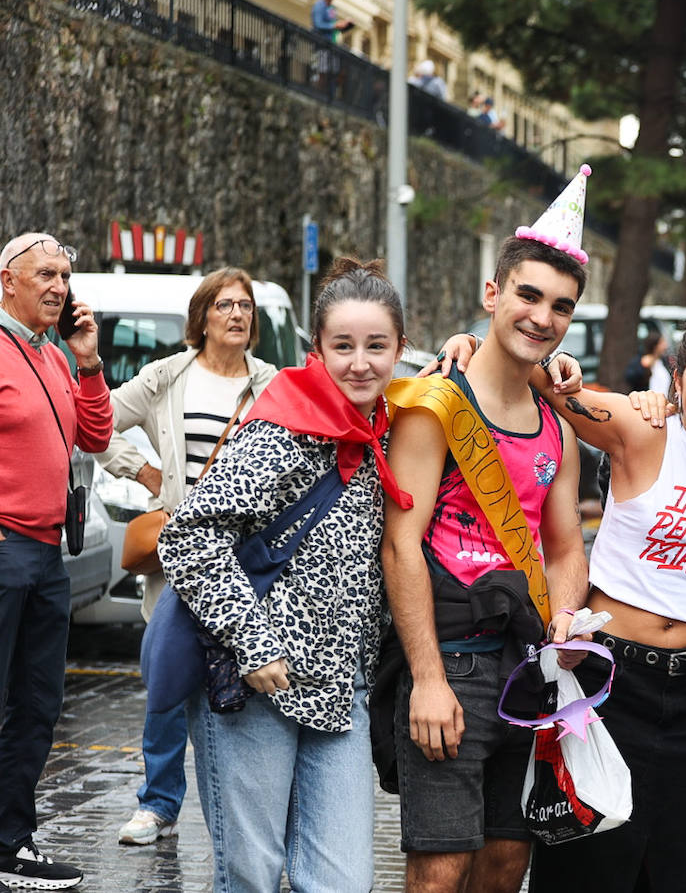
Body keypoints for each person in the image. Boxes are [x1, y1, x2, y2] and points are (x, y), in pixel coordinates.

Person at [160, 258, 411, 892]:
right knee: (251, 875)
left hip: (340, 691)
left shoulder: (386, 427)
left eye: (377, 346)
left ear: (401, 350)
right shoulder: (282, 428)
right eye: (343, 346)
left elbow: (482, 372)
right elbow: (188, 537)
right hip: (257, 687)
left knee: (344, 882)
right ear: (316, 351)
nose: (361, 362)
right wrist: (253, 641)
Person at [381, 170, 593, 893]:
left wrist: (565, 622)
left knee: (507, 865)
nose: (542, 316)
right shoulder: (436, 405)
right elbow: (400, 543)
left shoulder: (556, 428)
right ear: (492, 294)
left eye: (561, 306)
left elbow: (564, 546)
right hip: (453, 661)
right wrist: (428, 678)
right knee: (439, 871)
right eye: (528, 295)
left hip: (527, 666)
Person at [528, 301, 686, 893]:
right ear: (678, 378)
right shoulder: (644, 430)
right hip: (615, 685)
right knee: (589, 867)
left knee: (685, 869)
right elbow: (536, 375)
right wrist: (467, 342)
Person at [97, 268, 277, 847]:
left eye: (245, 307)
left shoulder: (272, 383)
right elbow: (95, 424)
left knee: (239, 681)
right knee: (168, 678)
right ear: (201, 317)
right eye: (225, 305)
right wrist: (144, 470)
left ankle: (243, 806)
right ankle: (158, 804)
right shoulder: (167, 376)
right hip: (181, 550)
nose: (237, 315)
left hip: (247, 556)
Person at [0, 232, 111, 891]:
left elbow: (94, 435)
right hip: (7, 549)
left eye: (65, 275)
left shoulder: (54, 355)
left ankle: (11, 844)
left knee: (38, 705)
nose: (58, 286)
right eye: (45, 273)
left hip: (46, 556)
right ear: (6, 279)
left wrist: (90, 362)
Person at [624, 330, 669, 394]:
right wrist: (642, 366)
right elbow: (630, 378)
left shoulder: (664, 361)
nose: (665, 346)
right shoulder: (640, 360)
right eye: (662, 343)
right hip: (647, 401)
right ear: (654, 346)